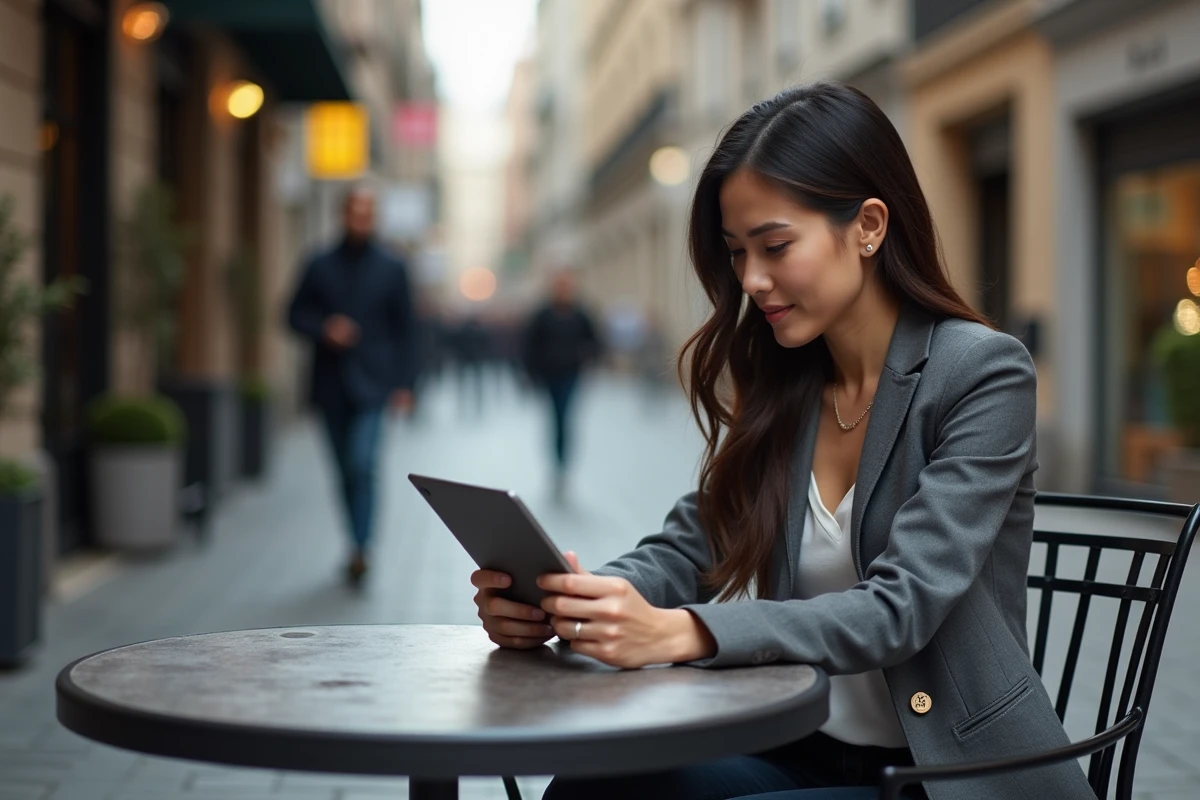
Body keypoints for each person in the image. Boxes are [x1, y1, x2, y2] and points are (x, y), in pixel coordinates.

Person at [471, 82, 1095, 800]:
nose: (752, 280)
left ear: (867, 226)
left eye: (774, 246)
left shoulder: (981, 372)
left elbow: (901, 608)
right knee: (596, 785)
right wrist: (580, 601)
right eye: (737, 253)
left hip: (943, 770)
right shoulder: (792, 381)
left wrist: (685, 634)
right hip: (800, 740)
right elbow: (690, 545)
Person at [287, 186, 417, 587]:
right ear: (342, 215)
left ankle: (362, 547)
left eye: (368, 212)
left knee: (363, 464)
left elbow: (409, 330)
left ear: (374, 217)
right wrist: (324, 328)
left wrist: (405, 384)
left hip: (375, 384)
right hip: (330, 384)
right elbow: (291, 314)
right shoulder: (319, 263)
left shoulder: (393, 267)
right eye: (354, 212)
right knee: (344, 469)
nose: (361, 219)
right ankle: (354, 541)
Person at [521, 271, 601, 502]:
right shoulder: (543, 314)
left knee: (565, 418)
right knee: (554, 419)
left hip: (571, 374)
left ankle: (563, 466)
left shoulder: (580, 314)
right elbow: (530, 344)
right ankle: (557, 464)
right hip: (548, 376)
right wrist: (530, 373)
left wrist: (590, 360)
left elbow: (594, 340)